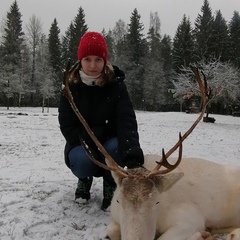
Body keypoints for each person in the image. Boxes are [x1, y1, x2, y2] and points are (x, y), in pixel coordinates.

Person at [58, 31, 144, 210]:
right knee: (82, 161)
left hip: (109, 143)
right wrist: (89, 143)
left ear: (104, 61)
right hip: (81, 142)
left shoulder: (116, 85)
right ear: (80, 60)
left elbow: (126, 121)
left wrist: (134, 157)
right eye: (87, 59)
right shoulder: (70, 86)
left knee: (115, 148)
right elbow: (67, 124)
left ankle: (110, 182)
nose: (92, 65)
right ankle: (84, 179)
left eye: (98, 59)